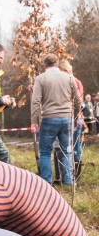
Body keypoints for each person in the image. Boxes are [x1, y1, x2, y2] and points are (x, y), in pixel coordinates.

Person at [31, 54, 81, 187]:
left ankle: (46, 184)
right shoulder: (69, 78)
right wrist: (75, 118)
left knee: (46, 152)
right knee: (67, 151)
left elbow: (35, 102)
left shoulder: (40, 79)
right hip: (67, 119)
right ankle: (69, 183)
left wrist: (34, 121)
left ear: (44, 65)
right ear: (57, 64)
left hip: (49, 119)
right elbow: (78, 101)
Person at [59, 60, 85, 181]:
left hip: (75, 118)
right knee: (72, 147)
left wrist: (74, 118)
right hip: (71, 117)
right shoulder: (73, 81)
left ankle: (75, 175)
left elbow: (78, 102)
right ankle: (71, 175)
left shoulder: (74, 82)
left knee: (74, 147)